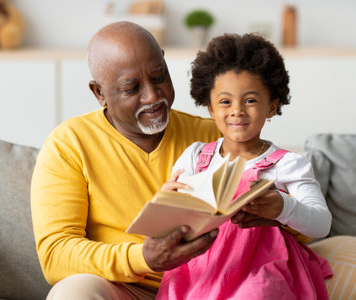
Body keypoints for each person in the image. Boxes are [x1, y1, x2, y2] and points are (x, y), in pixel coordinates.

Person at [30, 21, 221, 299]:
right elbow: (56, 254)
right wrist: (143, 258)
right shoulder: (69, 144)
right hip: (126, 289)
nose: (153, 96)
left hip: (213, 286)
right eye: (131, 88)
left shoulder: (212, 134)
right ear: (99, 93)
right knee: (73, 292)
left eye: (159, 77)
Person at [156, 33, 333, 299]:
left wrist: (282, 206)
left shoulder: (288, 163)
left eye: (250, 100)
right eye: (225, 101)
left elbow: (321, 224)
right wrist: (168, 201)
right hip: (202, 266)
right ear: (211, 109)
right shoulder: (195, 156)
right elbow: (170, 221)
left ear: (271, 107)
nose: (237, 110)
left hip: (262, 266)